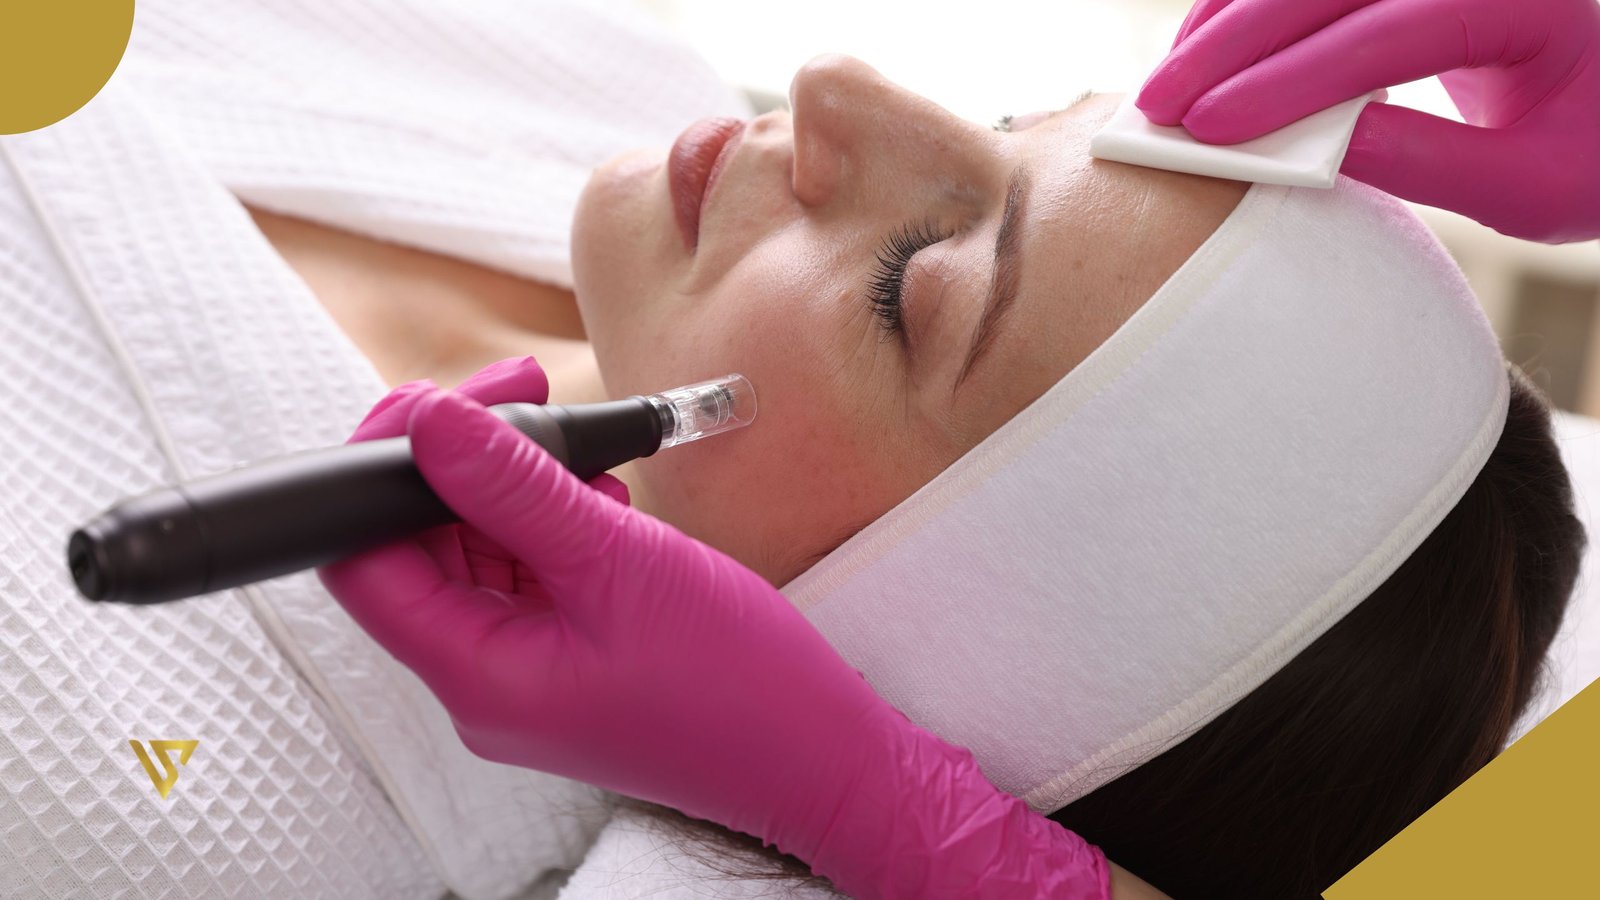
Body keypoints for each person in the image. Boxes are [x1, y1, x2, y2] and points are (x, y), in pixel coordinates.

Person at [318, 2, 1597, 897]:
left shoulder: (243, 782)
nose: (836, 86)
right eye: (1008, 123)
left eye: (904, 283)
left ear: (853, 644)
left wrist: (878, 808)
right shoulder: (566, 68)